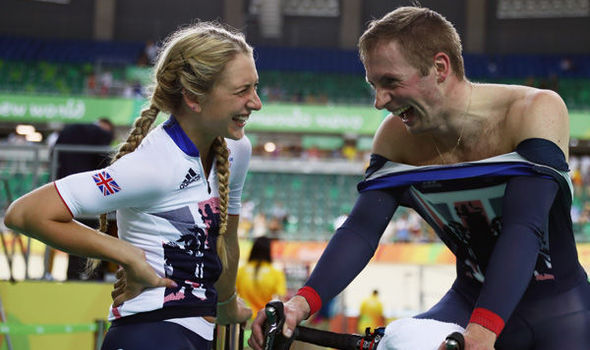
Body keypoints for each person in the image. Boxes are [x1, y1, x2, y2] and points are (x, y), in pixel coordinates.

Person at [249, 6, 590, 350]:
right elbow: (360, 230)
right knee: (396, 342)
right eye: (374, 86)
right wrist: (300, 303)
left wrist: (484, 331)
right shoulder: (396, 137)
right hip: (468, 302)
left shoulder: (536, 110)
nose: (380, 102)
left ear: (440, 68)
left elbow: (524, 227)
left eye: (391, 82)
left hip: (558, 310)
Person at [5, 21, 261, 350]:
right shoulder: (153, 166)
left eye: (255, 87)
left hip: (196, 336)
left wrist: (227, 304)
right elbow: (25, 213)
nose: (256, 102)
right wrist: (126, 254)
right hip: (149, 334)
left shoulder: (237, 148)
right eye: (242, 90)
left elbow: (226, 238)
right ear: (194, 98)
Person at [51, 117, 115, 280]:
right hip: (93, 200)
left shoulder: (69, 133)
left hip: (66, 198)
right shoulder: (99, 139)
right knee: (97, 244)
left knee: (75, 245)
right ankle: (93, 277)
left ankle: (73, 277)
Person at [236, 236, 287, 315]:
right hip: (263, 320)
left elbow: (233, 295)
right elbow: (281, 299)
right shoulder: (276, 273)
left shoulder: (241, 271)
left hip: (244, 319)